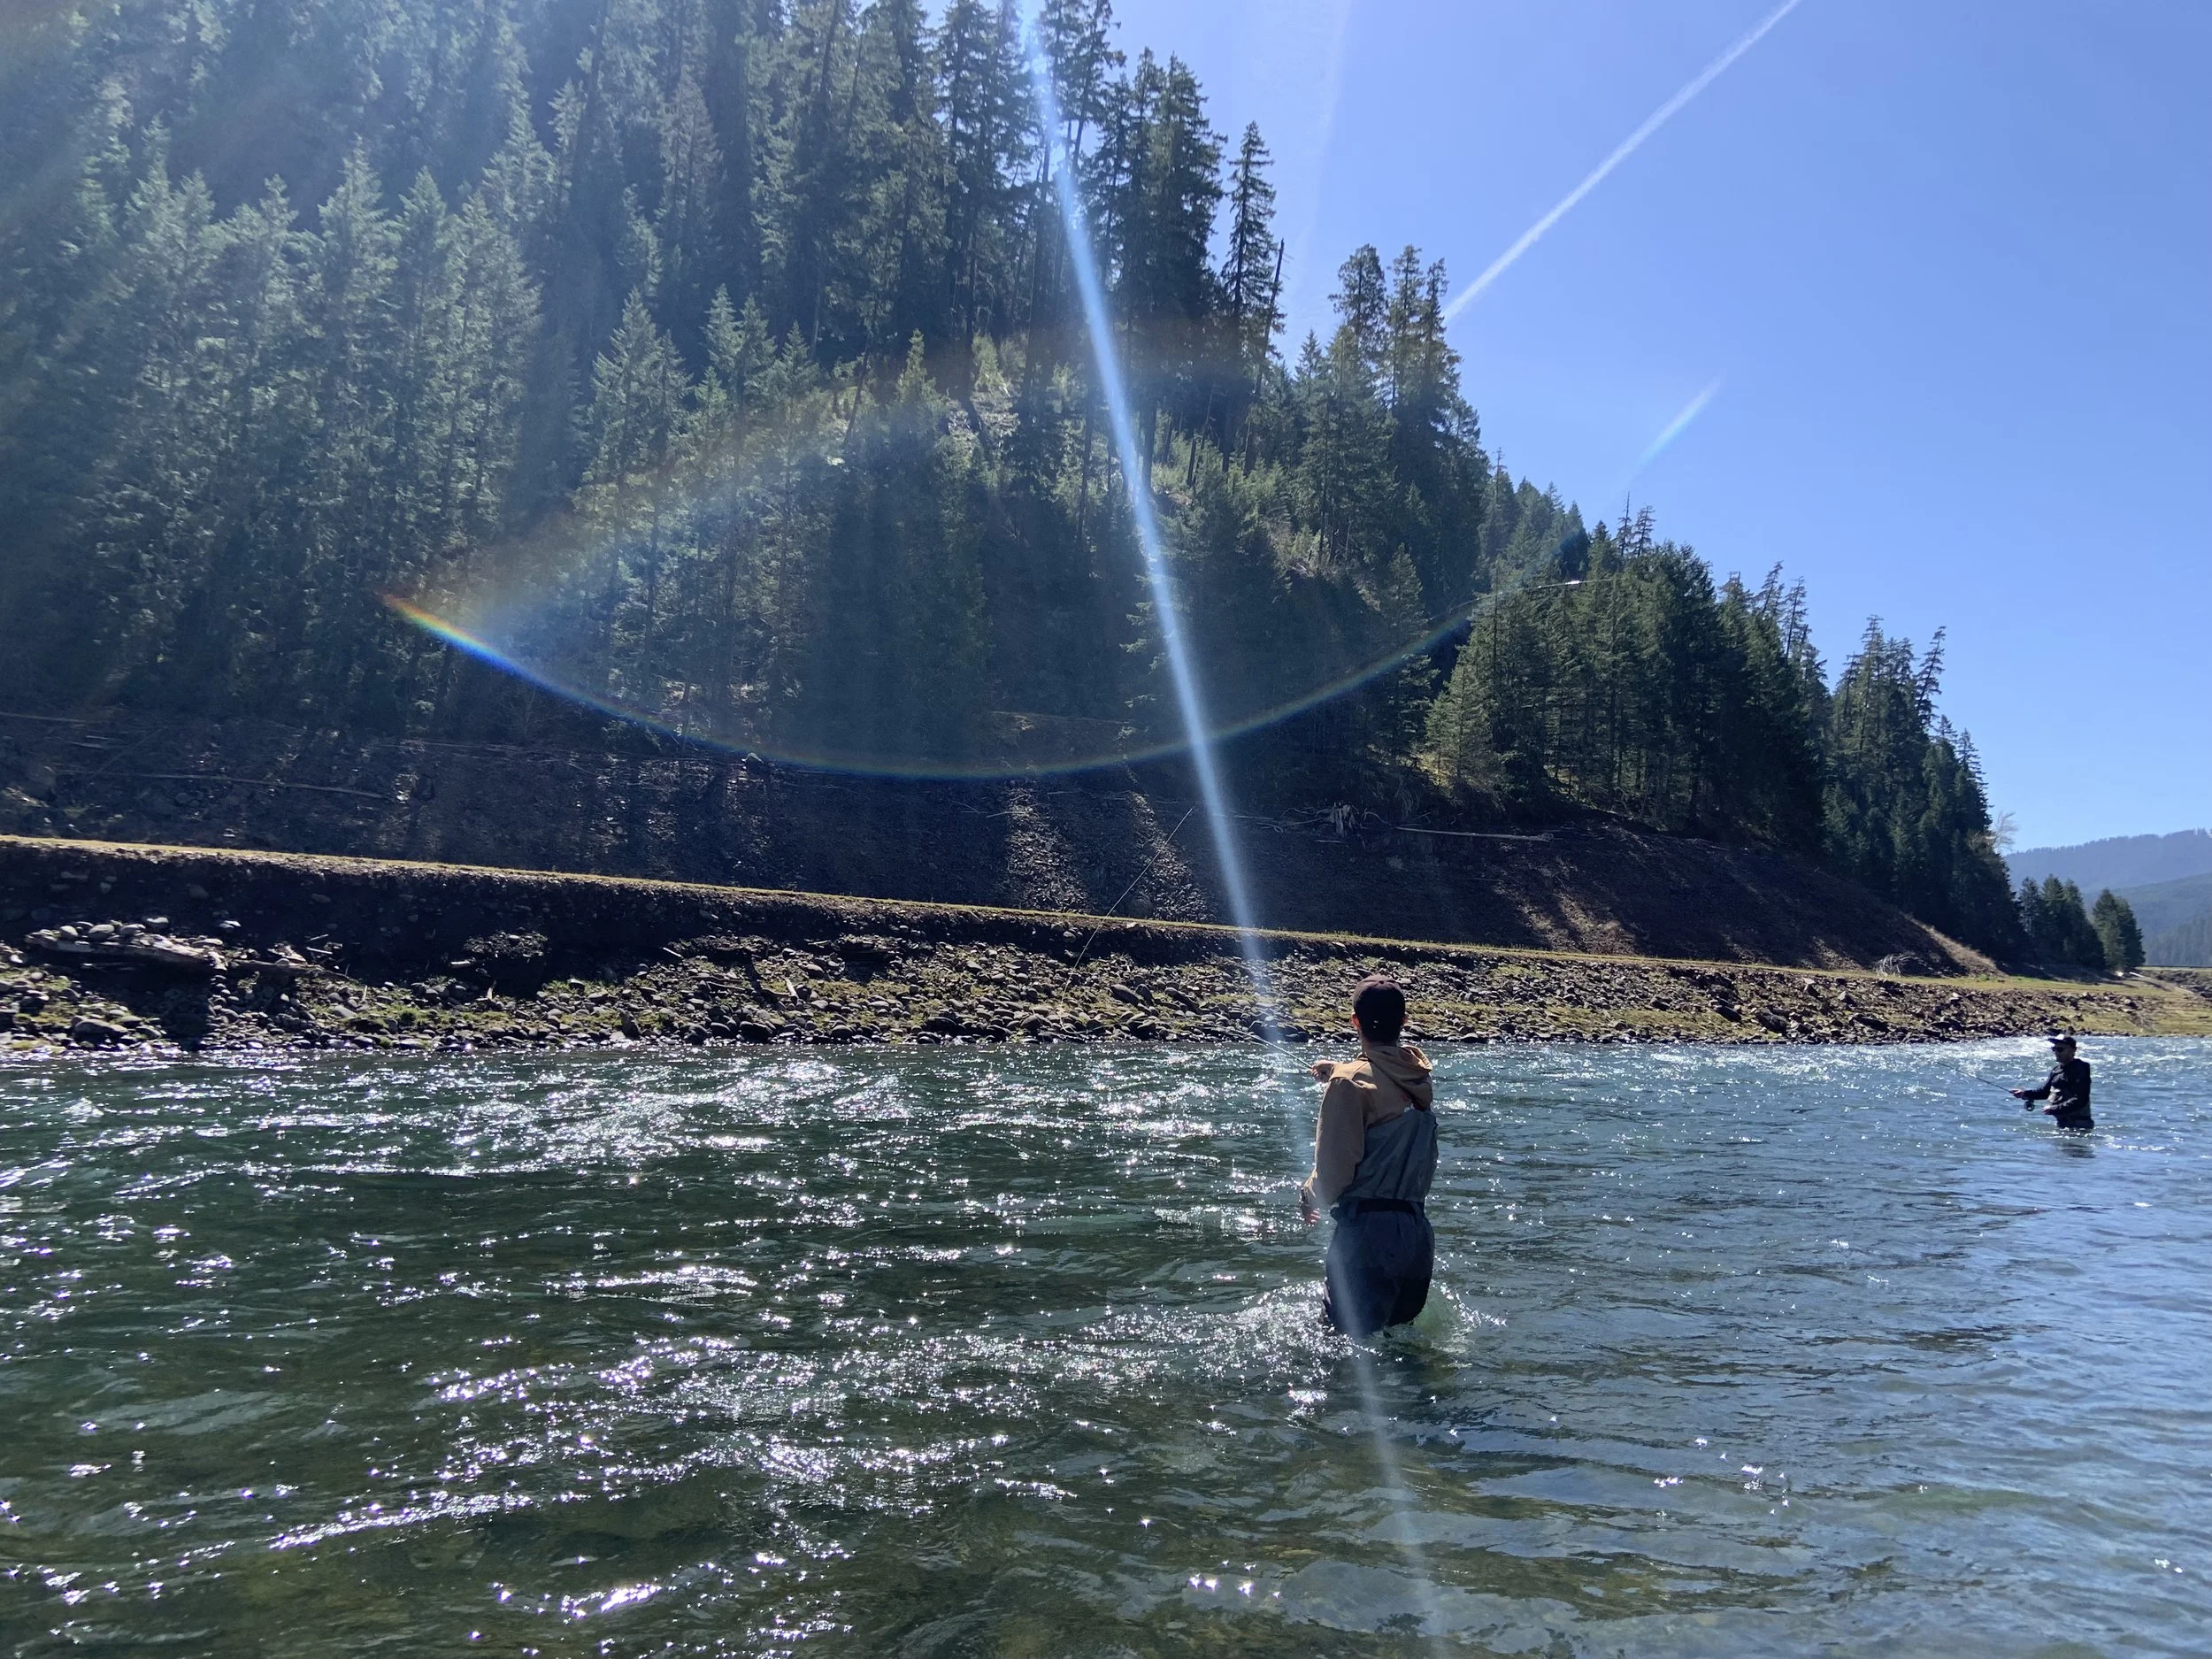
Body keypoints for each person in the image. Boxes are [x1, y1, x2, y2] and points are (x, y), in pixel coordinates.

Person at [1297, 975, 1438, 1335]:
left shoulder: (1348, 1084)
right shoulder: (1418, 1080)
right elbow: (1381, 1089)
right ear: (1404, 1022)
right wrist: (1339, 1072)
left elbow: (1334, 1174)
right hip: (1416, 1237)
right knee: (1398, 1350)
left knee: (1340, 1353)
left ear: (1355, 1021)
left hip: (1368, 1239)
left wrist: (1308, 1194)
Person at [2012, 1033, 2093, 1132]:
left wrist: (2055, 1109)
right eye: (2054, 1049)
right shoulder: (2056, 1070)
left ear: (2073, 1050)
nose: (2056, 1052)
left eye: (2060, 1050)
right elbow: (2045, 1092)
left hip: (2080, 1125)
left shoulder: (2081, 1068)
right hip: (2062, 1124)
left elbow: (2080, 1099)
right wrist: (2025, 1094)